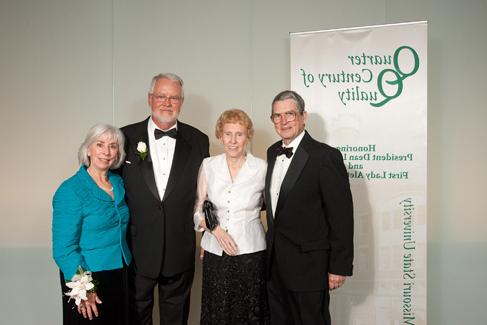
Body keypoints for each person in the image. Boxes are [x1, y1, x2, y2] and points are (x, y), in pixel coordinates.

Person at [119, 73, 209, 325]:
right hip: (135, 250)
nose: (167, 103)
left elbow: (206, 195)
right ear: (150, 99)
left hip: (179, 251)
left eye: (174, 97)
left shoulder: (199, 141)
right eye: (161, 96)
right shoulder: (123, 138)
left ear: (181, 102)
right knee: (135, 318)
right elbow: (109, 188)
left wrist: (209, 233)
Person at [265, 90, 354, 325]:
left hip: (309, 267)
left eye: (290, 114)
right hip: (274, 266)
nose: (283, 121)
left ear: (304, 116)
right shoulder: (272, 152)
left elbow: (341, 217)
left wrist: (338, 267)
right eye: (277, 116)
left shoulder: (325, 157)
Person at [194, 109, 269, 325]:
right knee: (216, 310)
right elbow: (198, 211)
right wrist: (215, 231)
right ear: (220, 135)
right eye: (228, 134)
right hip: (215, 253)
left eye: (239, 134)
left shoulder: (261, 168)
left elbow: (272, 208)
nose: (233, 140)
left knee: (248, 311)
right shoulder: (208, 165)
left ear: (248, 136)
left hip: (251, 252)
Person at [52, 123, 132, 325]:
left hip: (121, 273)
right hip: (88, 275)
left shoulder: (118, 182)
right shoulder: (70, 190)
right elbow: (64, 249)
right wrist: (84, 288)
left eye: (113, 146)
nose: (106, 152)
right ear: (88, 149)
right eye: (100, 144)